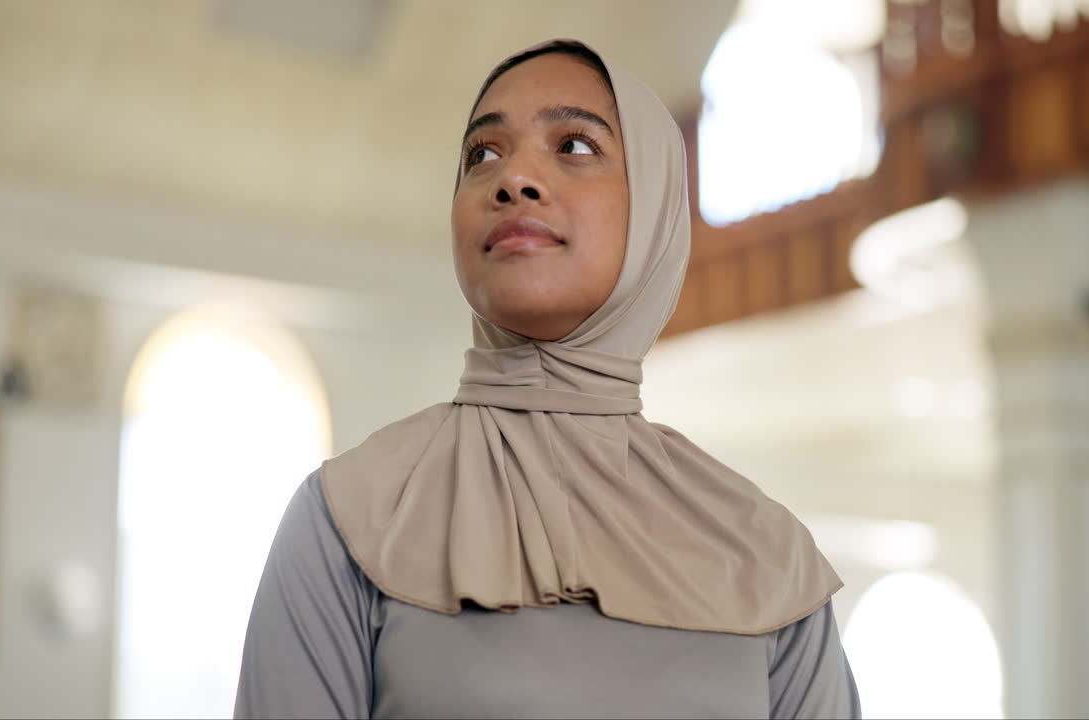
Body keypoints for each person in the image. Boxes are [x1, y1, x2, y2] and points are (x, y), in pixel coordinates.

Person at [234, 39, 860, 719]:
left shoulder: (767, 554)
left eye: (575, 147)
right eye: (483, 155)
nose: (514, 180)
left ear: (654, 207)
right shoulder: (351, 519)